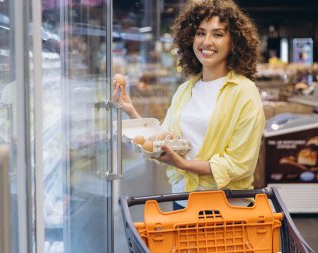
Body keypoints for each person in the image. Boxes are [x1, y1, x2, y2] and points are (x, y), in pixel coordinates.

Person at [113, 0, 265, 210]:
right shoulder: (186, 90)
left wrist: (184, 165)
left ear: (234, 42)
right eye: (201, 33)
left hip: (224, 208)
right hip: (182, 201)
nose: (207, 41)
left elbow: (240, 165)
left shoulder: (244, 92)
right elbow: (164, 139)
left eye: (218, 34)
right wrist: (130, 109)